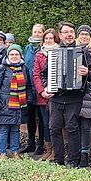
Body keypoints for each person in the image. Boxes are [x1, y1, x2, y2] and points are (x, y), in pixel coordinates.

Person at [48, 21, 91, 167]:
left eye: (71, 32)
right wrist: (46, 87)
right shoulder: (53, 52)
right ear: (60, 35)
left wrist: (87, 72)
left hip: (74, 97)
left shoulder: (82, 51)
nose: (69, 35)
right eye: (66, 32)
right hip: (56, 96)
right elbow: (43, 73)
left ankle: (73, 161)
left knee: (72, 127)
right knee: (54, 127)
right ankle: (59, 160)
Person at [0, 44, 33, 160]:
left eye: (17, 54)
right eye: (12, 54)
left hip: (19, 104)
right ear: (8, 55)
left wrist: (28, 99)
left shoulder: (24, 68)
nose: (14, 56)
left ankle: (15, 152)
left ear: (20, 55)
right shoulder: (2, 68)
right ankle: (2, 153)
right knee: (3, 129)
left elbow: (28, 86)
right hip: (3, 104)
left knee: (15, 129)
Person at [75, 24, 91, 167]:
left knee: (85, 125)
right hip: (75, 93)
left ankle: (84, 153)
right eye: (81, 34)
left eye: (86, 34)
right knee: (74, 124)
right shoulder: (73, 49)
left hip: (89, 93)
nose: (84, 36)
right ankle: (76, 152)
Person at [33, 28, 60, 161]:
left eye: (51, 38)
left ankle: (56, 151)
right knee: (45, 124)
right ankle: (48, 150)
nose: (49, 41)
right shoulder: (39, 55)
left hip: (57, 95)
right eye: (46, 39)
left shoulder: (61, 52)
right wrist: (42, 91)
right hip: (43, 95)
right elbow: (36, 74)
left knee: (55, 124)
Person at [21, 23, 45, 156]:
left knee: (41, 118)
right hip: (29, 88)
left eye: (39, 32)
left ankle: (41, 145)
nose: (36, 34)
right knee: (30, 117)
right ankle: (31, 143)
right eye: (34, 32)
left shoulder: (45, 48)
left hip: (40, 88)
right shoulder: (27, 48)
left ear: (43, 33)